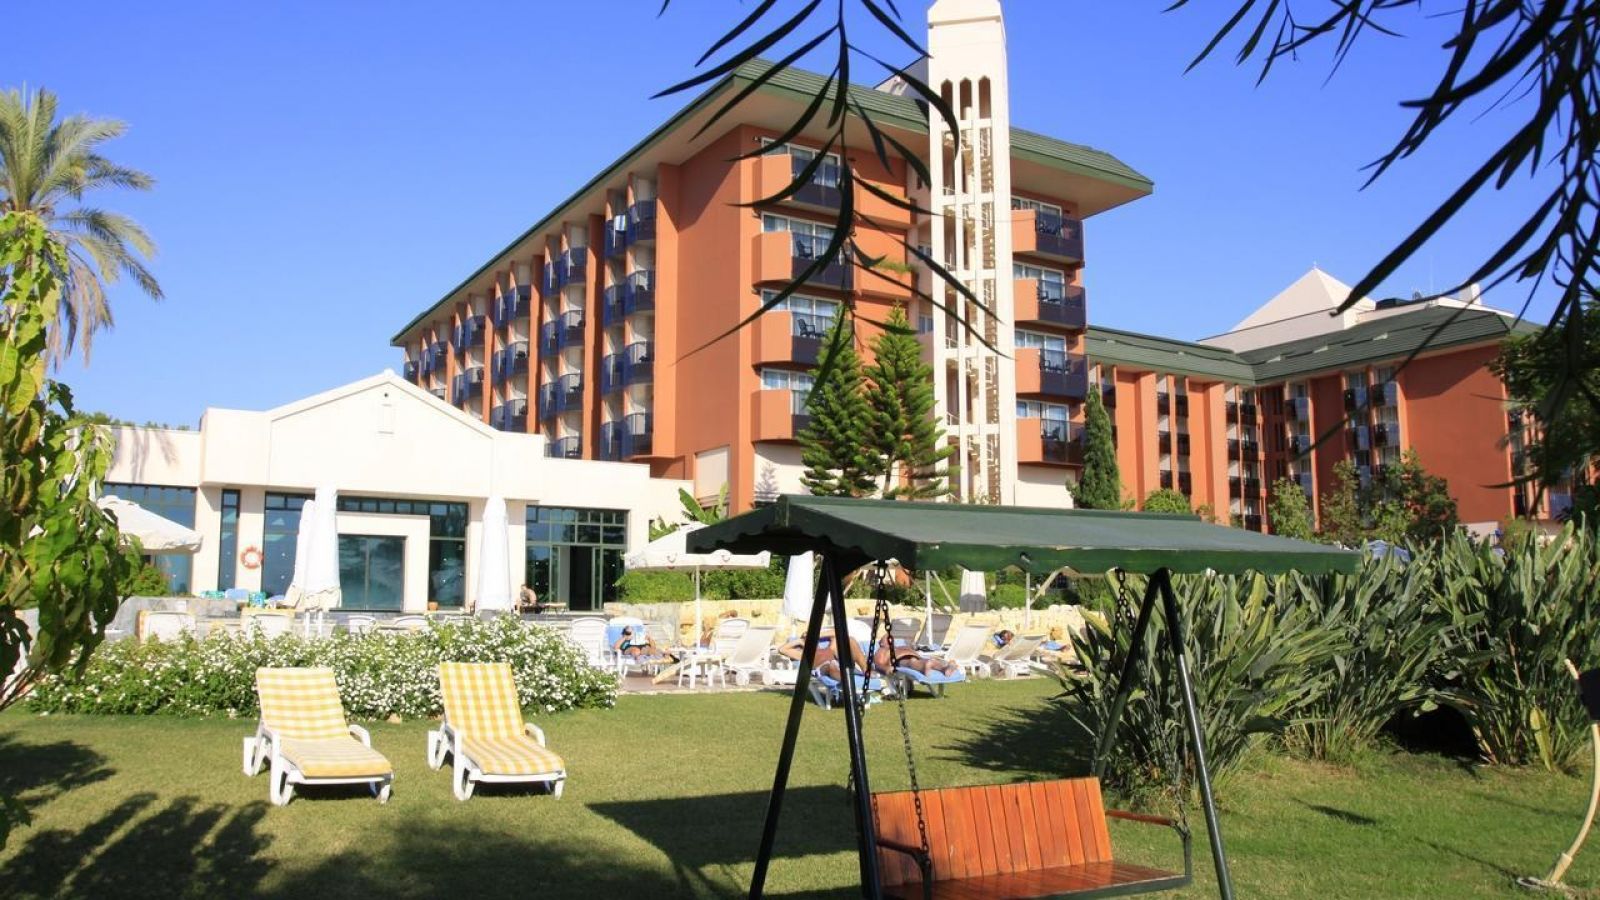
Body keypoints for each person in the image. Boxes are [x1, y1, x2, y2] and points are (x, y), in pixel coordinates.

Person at [873, 639, 961, 678]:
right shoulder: (882, 650)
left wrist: (911, 647)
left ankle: (944, 669)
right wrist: (886, 668)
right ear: (881, 643)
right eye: (887, 639)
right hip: (900, 659)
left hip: (914, 656)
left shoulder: (899, 646)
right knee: (911, 662)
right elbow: (878, 664)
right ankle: (928, 664)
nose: (890, 640)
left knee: (915, 661)